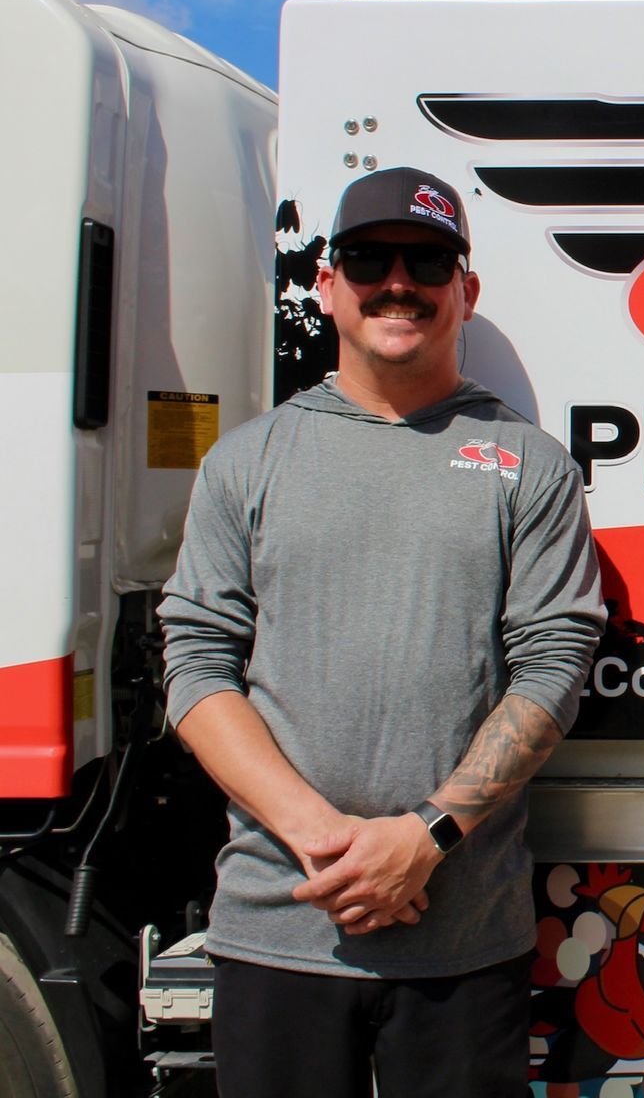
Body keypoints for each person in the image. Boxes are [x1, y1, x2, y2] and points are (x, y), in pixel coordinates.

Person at [160, 166, 605, 1096]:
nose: (397, 282)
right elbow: (198, 665)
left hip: (461, 941)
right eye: (368, 258)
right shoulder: (249, 460)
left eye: (428, 261)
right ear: (327, 284)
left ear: (465, 291)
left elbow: (554, 665)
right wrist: (322, 837)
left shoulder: (530, 465)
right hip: (279, 924)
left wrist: (426, 836)